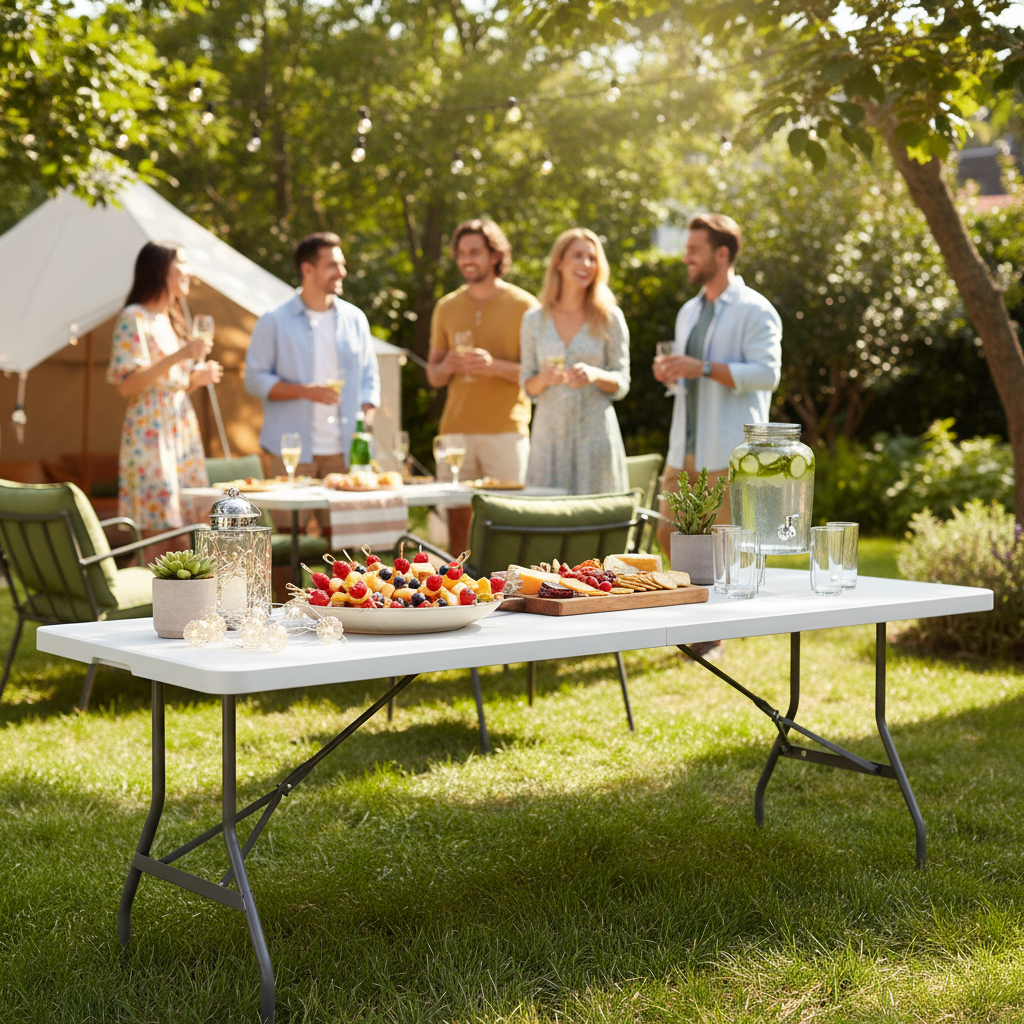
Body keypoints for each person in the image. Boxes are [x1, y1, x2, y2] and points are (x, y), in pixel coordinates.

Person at [653, 213, 782, 555]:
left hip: (728, 455)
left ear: (722, 253)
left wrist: (705, 368)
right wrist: (670, 371)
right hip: (683, 451)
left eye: (695, 249)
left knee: (728, 553)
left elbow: (768, 374)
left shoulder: (756, 309)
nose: (686, 258)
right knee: (668, 539)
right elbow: (689, 372)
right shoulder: (688, 312)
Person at [426, 219, 539, 552]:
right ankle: (458, 592)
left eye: (474, 251)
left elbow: (539, 375)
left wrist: (494, 366)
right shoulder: (446, 307)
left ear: (494, 255)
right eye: (461, 253)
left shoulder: (526, 307)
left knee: (510, 518)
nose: (466, 259)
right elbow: (434, 376)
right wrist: (447, 365)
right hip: (454, 433)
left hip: (506, 431)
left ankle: (512, 591)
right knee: (457, 520)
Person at [106, 241, 223, 556]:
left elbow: (168, 384)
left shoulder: (171, 320)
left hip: (180, 427)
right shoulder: (135, 318)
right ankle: (152, 601)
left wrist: (193, 381)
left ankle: (185, 604)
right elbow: (127, 385)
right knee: (160, 534)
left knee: (185, 534)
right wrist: (182, 355)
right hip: (150, 430)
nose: (190, 272)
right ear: (160, 269)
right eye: (182, 262)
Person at [245, 232, 380, 484]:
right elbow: (254, 379)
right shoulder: (273, 321)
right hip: (292, 453)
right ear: (307, 269)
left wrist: (363, 425)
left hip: (345, 455)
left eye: (342, 264)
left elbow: (369, 380)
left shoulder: (356, 319)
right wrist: (306, 391)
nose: (342, 272)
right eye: (332, 265)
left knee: (339, 526)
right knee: (289, 525)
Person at [520, 228, 630, 495]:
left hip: (595, 438)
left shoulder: (610, 318)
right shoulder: (534, 320)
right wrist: (543, 379)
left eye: (592, 258)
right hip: (549, 439)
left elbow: (622, 381)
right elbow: (527, 385)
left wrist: (595, 375)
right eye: (578, 256)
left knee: (597, 522)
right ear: (559, 262)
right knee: (547, 524)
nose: (586, 264)